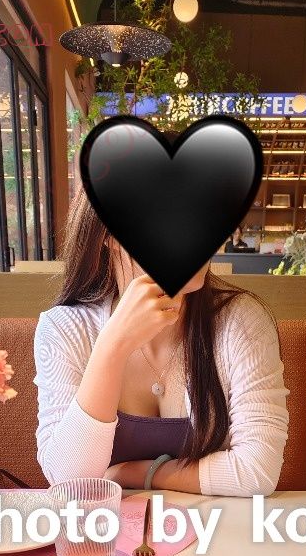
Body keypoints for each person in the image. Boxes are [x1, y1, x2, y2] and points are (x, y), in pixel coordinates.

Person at [34, 190, 289, 497]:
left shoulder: (242, 321)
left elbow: (257, 471)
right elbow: (68, 479)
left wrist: (139, 473)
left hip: (216, 524)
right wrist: (113, 346)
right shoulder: (65, 329)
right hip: (106, 527)